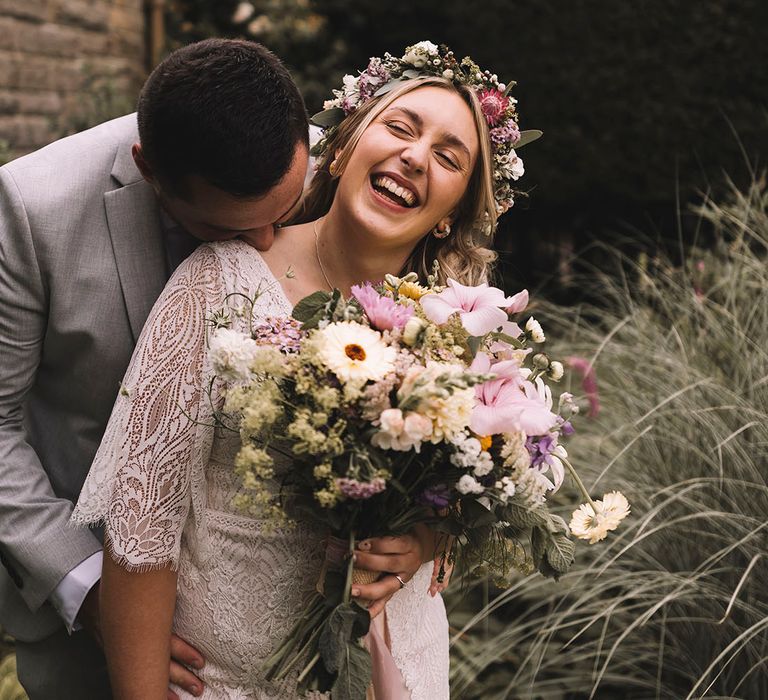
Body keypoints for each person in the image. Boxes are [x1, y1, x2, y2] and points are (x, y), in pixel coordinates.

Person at [72, 41, 531, 700]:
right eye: (400, 127)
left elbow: (469, 489)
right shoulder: (215, 287)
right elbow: (142, 532)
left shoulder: (461, 329)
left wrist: (423, 541)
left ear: (453, 211)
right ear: (343, 146)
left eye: (448, 155)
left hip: (398, 668)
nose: (415, 155)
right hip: (233, 681)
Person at [0, 38, 311, 700]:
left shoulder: (328, 162)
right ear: (148, 169)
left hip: (289, 633)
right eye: (223, 227)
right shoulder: (32, 207)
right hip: (88, 635)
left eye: (280, 219)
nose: (262, 246)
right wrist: (88, 592)